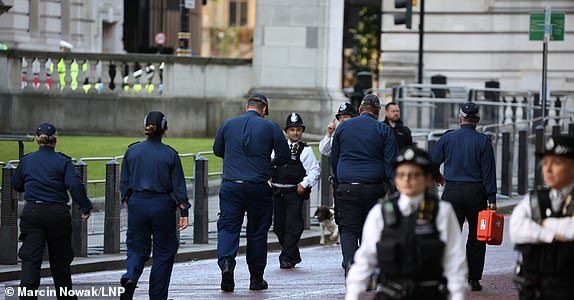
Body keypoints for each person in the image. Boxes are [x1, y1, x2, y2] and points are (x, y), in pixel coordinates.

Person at [346, 146, 469, 300]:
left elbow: (454, 259)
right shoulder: (380, 212)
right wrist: (352, 294)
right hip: (390, 293)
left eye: (414, 175)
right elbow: (365, 259)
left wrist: (458, 294)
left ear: (428, 179)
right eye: (401, 174)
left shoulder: (442, 212)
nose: (407, 180)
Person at [213, 93, 290, 292]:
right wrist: (268, 163)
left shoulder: (228, 124)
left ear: (247, 106)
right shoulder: (271, 126)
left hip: (232, 184)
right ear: (264, 109)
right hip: (258, 185)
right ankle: (256, 277)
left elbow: (217, 150)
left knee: (228, 228)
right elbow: (284, 156)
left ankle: (227, 265)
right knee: (257, 232)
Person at [12, 122, 93, 299]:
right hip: (57, 213)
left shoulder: (27, 160)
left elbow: (16, 185)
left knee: (30, 260)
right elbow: (74, 185)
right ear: (55, 140)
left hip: (33, 212)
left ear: (36, 140)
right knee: (60, 261)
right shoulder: (63, 161)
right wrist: (85, 206)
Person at [119, 111, 191, 300]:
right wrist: (184, 209)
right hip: (162, 205)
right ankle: (157, 296)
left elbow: (124, 183)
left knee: (136, 247)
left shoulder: (132, 151)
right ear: (164, 129)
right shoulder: (170, 154)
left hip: (137, 203)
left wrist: (129, 201)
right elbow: (178, 186)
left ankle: (131, 276)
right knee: (164, 252)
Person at [430, 102, 497, 291]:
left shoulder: (448, 138)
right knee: (477, 237)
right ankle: (473, 279)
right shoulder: (483, 141)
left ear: (460, 118)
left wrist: (437, 176)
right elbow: (488, 172)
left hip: (452, 191)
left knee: (450, 235)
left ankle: (449, 277)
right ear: (477, 120)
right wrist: (491, 199)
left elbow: (432, 160)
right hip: (476, 192)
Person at [331, 94, 399, 275]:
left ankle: (351, 264)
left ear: (360, 109)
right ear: (377, 112)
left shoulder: (343, 127)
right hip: (374, 187)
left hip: (347, 186)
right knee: (370, 230)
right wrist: (393, 191)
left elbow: (335, 158)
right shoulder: (384, 130)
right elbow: (390, 164)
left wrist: (339, 182)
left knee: (348, 229)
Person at [510, 135, 574, 300]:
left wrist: (541, 223)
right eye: (545, 163)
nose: (548, 169)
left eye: (556, 163)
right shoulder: (534, 199)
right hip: (535, 290)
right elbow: (516, 229)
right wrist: (549, 235)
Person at [271, 112, 320, 269]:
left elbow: (314, 170)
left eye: (298, 130)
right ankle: (293, 254)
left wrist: (304, 184)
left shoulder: (305, 150)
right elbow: (269, 166)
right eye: (292, 130)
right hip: (277, 192)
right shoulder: (277, 148)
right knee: (279, 227)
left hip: (294, 193)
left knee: (293, 226)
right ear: (287, 131)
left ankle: (285, 257)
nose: (295, 133)